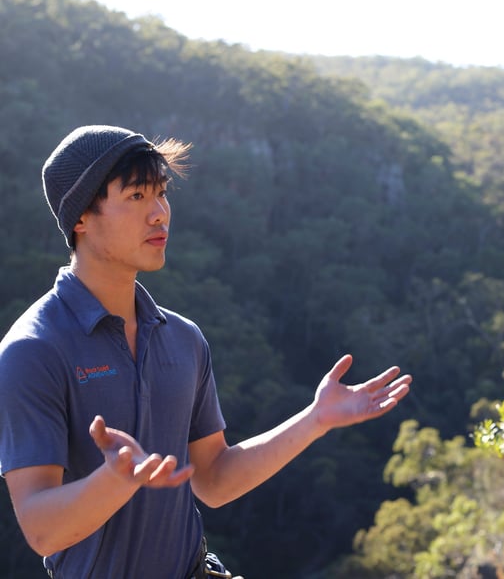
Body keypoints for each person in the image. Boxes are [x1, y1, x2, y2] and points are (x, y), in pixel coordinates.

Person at [0, 125, 412, 578]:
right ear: (81, 217)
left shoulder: (182, 338)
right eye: (137, 197)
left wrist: (316, 420)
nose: (159, 214)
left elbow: (213, 479)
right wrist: (115, 479)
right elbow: (41, 529)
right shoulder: (33, 350)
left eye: (161, 194)